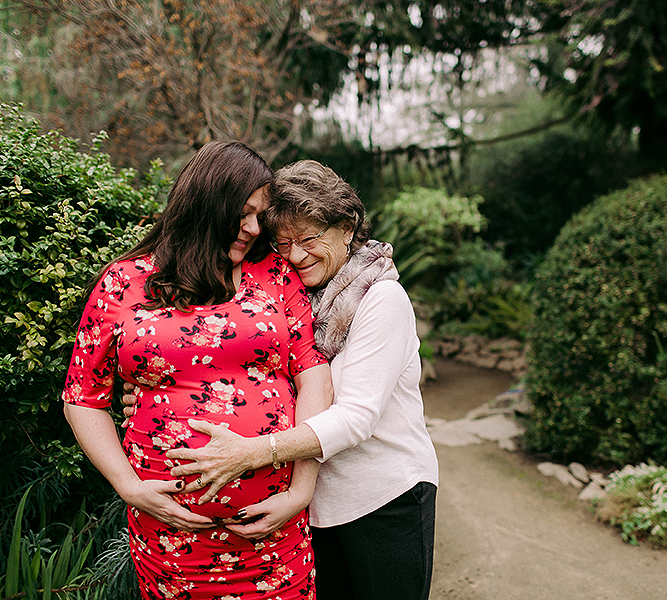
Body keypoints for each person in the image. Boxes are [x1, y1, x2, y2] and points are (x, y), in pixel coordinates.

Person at [128, 159, 440, 600]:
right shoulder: (294, 297)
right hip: (314, 508)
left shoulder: (380, 299)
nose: (295, 255)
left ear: (347, 228)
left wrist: (250, 453)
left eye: (309, 239)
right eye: (283, 242)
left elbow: (356, 417)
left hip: (383, 499)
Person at [62, 142, 333, 599]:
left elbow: (313, 375)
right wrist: (128, 486)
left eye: (259, 216)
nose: (252, 228)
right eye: (242, 213)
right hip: (169, 536)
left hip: (272, 529)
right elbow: (81, 397)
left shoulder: (273, 275)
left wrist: (300, 491)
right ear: (207, 203)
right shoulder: (123, 283)